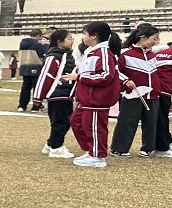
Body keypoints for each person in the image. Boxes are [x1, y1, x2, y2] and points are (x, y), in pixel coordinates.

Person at [69, 22, 123, 168]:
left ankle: (98, 156)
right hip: (86, 99)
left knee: (94, 127)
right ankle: (90, 150)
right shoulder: (92, 51)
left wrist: (79, 77)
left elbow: (106, 75)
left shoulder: (103, 52)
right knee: (77, 122)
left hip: (97, 99)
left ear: (94, 36)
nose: (83, 37)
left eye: (85, 33)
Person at [110, 23, 161, 158]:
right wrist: (126, 81)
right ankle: (119, 149)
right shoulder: (125, 53)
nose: (156, 42)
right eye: (154, 38)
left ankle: (148, 148)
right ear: (143, 37)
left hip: (153, 94)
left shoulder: (152, 55)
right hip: (133, 94)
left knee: (150, 122)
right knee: (127, 122)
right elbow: (115, 70)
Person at [33, 29, 77, 158]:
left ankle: (50, 144)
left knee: (64, 121)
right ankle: (56, 148)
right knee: (60, 122)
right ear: (59, 42)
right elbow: (45, 76)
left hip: (66, 95)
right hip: (57, 95)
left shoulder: (67, 55)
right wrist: (38, 98)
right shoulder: (53, 56)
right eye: (69, 38)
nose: (72, 40)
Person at [16, 29, 49, 111]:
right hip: (35, 67)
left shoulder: (22, 43)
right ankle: (36, 106)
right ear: (38, 36)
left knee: (25, 88)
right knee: (36, 88)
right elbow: (44, 53)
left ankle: (22, 105)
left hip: (24, 67)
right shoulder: (36, 44)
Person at [153, 42, 172, 157]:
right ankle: (161, 148)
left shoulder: (162, 53)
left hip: (157, 89)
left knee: (160, 119)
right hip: (164, 90)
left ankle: (164, 144)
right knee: (162, 120)